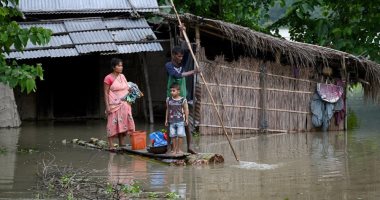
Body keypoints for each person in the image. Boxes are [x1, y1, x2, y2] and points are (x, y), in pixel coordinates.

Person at [165, 46, 198, 154]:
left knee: (186, 122)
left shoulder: (182, 65)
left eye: (181, 56)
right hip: (171, 98)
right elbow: (176, 75)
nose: (180, 58)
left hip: (183, 97)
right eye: (178, 56)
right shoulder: (169, 65)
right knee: (170, 122)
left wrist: (182, 30)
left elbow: (189, 50)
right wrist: (193, 72)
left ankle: (190, 147)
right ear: (173, 55)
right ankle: (169, 148)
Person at [104, 58, 135, 150]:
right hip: (114, 104)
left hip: (125, 104)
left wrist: (130, 96)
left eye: (121, 65)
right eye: (119, 65)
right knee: (112, 123)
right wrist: (107, 106)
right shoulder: (108, 78)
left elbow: (126, 89)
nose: (121, 67)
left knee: (124, 122)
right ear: (114, 67)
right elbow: (106, 93)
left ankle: (122, 143)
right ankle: (111, 145)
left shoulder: (123, 76)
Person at [165, 83, 188, 155]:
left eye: (173, 91)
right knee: (173, 136)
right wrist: (166, 120)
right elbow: (167, 109)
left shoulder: (183, 100)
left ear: (178, 91)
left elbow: (186, 109)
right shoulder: (169, 99)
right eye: (171, 91)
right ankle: (174, 150)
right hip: (171, 121)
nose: (171, 92)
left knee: (180, 135)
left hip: (180, 121)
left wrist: (186, 119)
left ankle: (179, 150)